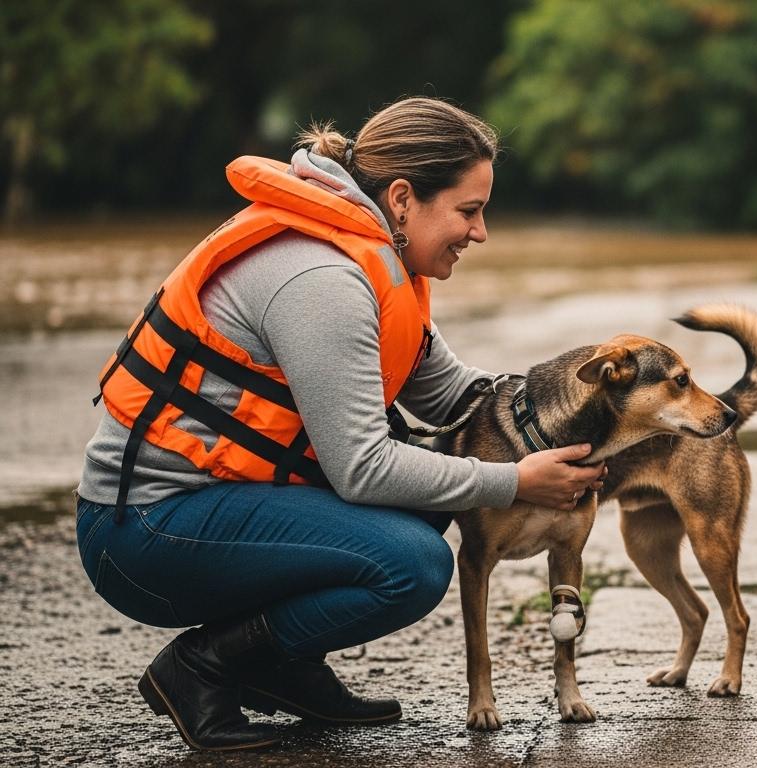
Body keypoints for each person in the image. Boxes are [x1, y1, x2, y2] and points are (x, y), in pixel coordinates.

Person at [76, 96, 606, 751]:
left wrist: (586, 410)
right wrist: (511, 480)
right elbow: (362, 468)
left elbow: (463, 399)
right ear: (405, 199)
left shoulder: (377, 259)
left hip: (211, 505)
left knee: (425, 504)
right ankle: (204, 667)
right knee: (411, 562)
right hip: (143, 532)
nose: (480, 232)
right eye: (468, 211)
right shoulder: (324, 278)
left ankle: (281, 666)